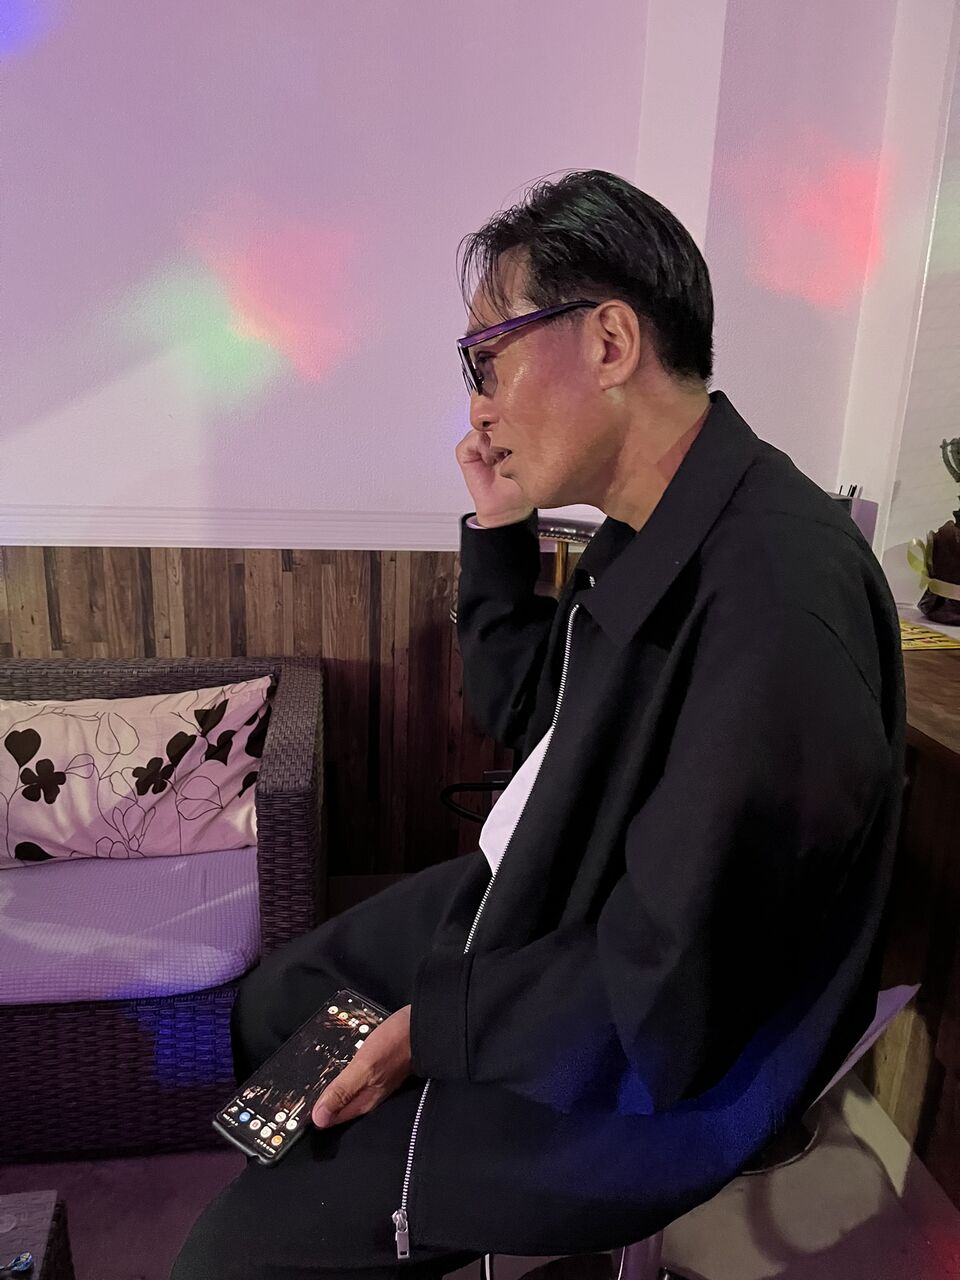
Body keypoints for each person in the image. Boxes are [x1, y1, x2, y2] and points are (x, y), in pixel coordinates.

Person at [172, 169, 905, 1279]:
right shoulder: (654, 523)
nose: (477, 404)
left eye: (488, 356)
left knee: (231, 1260)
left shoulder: (775, 596)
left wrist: (438, 1027)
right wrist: (501, 529)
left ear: (610, 342)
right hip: (569, 913)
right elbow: (534, 714)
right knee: (279, 1002)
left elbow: (673, 978)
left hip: (662, 1064)